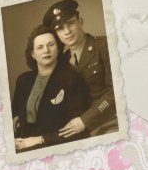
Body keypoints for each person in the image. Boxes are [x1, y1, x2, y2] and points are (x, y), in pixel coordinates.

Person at [42, 0, 118, 138]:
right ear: (56, 34)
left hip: (110, 121)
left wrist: (85, 120)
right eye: (60, 28)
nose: (67, 31)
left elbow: (116, 91)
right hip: (80, 131)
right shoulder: (62, 62)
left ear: (80, 22)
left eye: (71, 23)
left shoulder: (104, 46)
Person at [12, 24, 90, 152]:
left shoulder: (72, 80)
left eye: (51, 45)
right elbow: (15, 114)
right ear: (33, 54)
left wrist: (40, 140)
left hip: (56, 146)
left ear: (58, 49)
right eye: (40, 47)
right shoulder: (23, 80)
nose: (46, 51)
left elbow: (76, 131)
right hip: (23, 145)